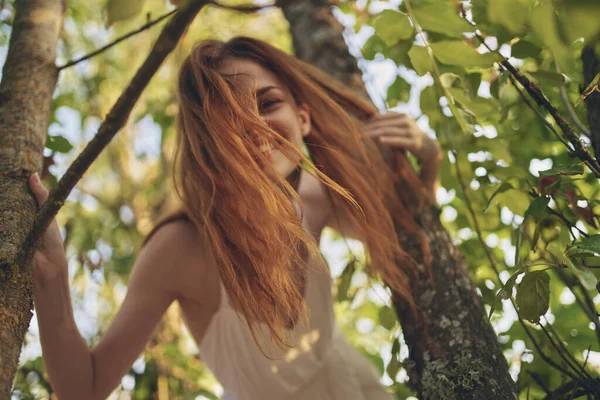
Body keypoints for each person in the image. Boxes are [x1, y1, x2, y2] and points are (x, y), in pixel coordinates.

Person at [29, 36, 442, 400]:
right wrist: (51, 278)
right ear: (208, 143)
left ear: (303, 117)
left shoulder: (316, 198)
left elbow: (403, 227)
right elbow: (85, 388)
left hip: (356, 388)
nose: (254, 127)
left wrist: (430, 157)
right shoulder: (181, 248)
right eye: (229, 118)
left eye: (268, 103)